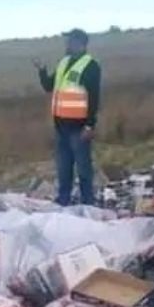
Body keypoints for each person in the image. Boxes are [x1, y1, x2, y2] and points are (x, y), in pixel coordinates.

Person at [35, 29, 102, 207]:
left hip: (79, 127)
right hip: (60, 126)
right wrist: (42, 71)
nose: (66, 44)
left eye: (70, 40)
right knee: (63, 168)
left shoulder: (90, 66)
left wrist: (90, 125)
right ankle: (63, 200)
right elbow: (50, 86)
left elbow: (93, 97)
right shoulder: (64, 62)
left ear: (80, 43)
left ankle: (88, 202)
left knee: (83, 168)